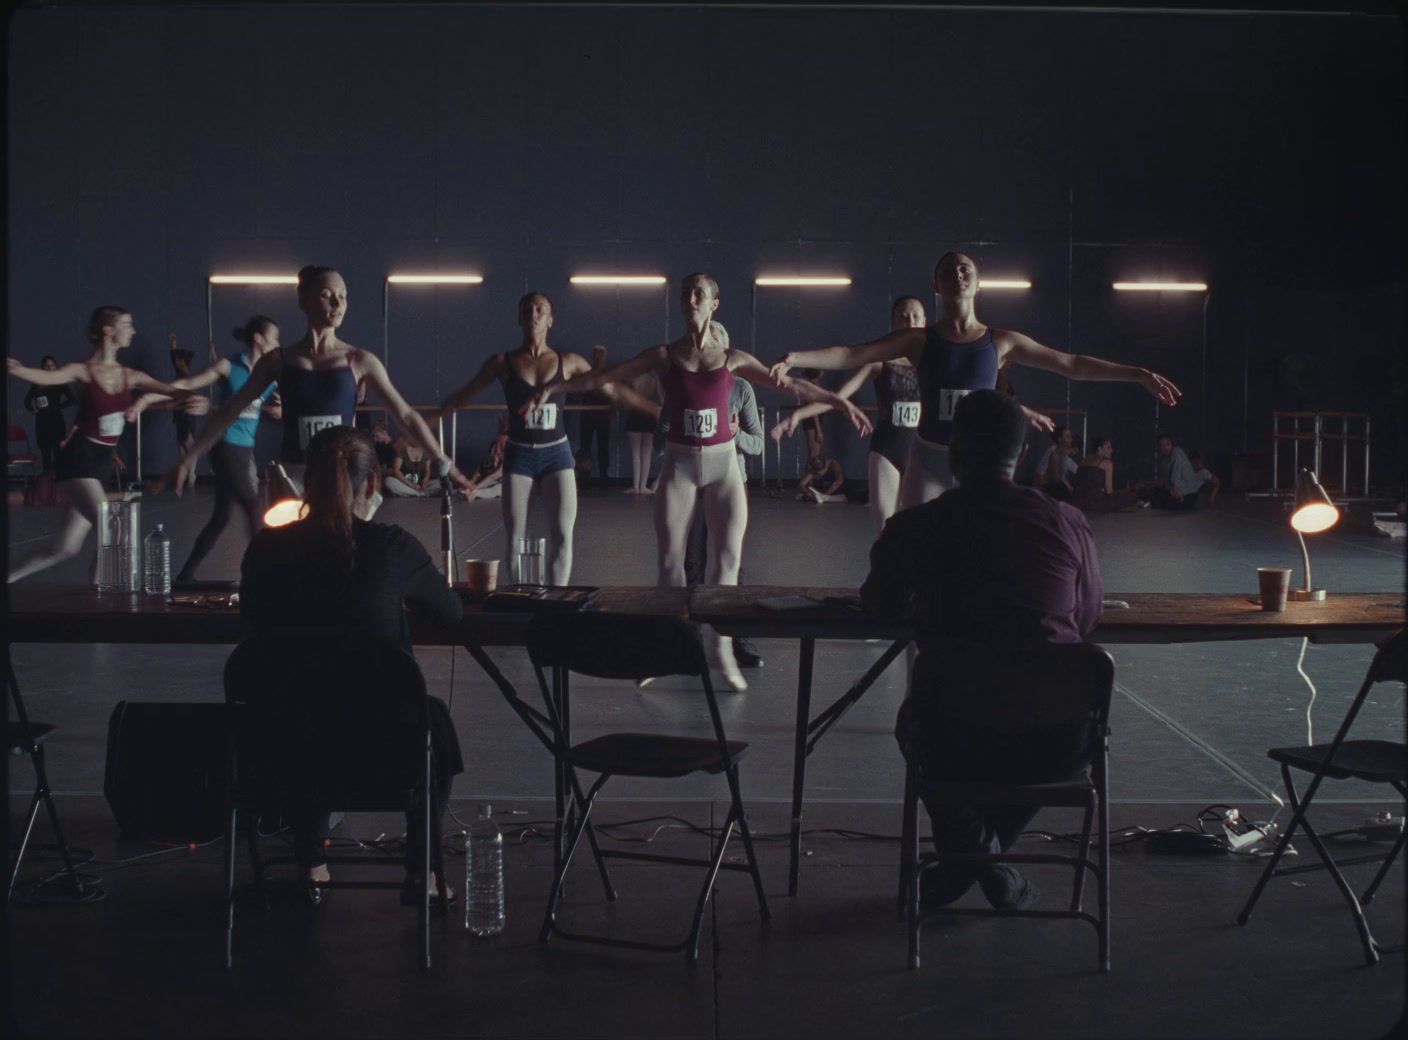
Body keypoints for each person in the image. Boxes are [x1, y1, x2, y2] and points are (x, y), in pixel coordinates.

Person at [522, 272, 872, 690]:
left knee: (725, 563)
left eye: (699, 293)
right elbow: (605, 377)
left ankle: (719, 651)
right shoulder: (664, 355)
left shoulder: (733, 358)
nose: (691, 297)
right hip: (680, 467)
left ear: (714, 304)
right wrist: (553, 388)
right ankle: (663, 649)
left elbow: (792, 384)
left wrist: (839, 402)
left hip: (725, 467)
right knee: (669, 563)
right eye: (686, 292)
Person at [861, 389, 1104, 911]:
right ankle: (984, 864)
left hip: (952, 734)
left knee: (917, 727)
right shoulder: (1067, 523)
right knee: (1060, 735)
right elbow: (1085, 621)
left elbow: (879, 606)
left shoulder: (916, 527)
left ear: (954, 454)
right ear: (1020, 456)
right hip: (1055, 738)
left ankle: (969, 862)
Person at [239, 425, 464, 903]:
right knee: (434, 723)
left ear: (308, 484)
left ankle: (310, 864)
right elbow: (452, 613)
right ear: (371, 485)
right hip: (381, 743)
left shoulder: (265, 550)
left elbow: (254, 624)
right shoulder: (393, 547)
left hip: (281, 743)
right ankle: (422, 874)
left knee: (304, 699)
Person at [772, 251, 1181, 511]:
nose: (958, 273)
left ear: (978, 283)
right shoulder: (919, 340)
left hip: (981, 466)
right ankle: (920, 647)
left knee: (979, 558)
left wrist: (1137, 374)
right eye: (948, 270)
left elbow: (1071, 364)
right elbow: (851, 353)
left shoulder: (1000, 342)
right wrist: (796, 357)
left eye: (965, 268)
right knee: (917, 554)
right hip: (928, 459)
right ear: (937, 285)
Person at [160, 265, 470, 497]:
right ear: (304, 300)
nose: (338, 303)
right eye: (327, 295)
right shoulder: (278, 361)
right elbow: (231, 410)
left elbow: (404, 415)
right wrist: (190, 457)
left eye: (343, 296)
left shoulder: (360, 360)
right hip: (295, 475)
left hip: (343, 476)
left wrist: (444, 461)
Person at [434, 292, 656, 585]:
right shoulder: (503, 362)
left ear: (550, 320)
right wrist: (424, 420)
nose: (533, 313)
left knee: (563, 534)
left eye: (540, 309)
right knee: (515, 537)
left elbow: (613, 391)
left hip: (557, 455)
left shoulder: (570, 361)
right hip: (519, 455)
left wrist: (656, 410)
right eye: (527, 309)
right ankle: (520, 600)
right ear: (519, 318)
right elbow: (463, 395)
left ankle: (557, 602)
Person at [7, 308, 207, 584]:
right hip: (78, 461)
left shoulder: (130, 376)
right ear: (108, 331)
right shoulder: (83, 371)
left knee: (65, 548)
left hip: (100, 463)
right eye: (127, 324)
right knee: (115, 527)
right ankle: (99, 596)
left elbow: (171, 390)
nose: (133, 331)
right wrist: (17, 369)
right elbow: (48, 377)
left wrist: (196, 396)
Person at [130, 318, 284, 583]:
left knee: (220, 519)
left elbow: (287, 403)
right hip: (225, 447)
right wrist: (148, 398)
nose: (278, 344)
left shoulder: (270, 373)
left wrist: (281, 409)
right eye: (274, 338)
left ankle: (185, 576)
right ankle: (264, 579)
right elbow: (188, 384)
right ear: (258, 338)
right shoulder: (229, 365)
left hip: (245, 450)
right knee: (254, 509)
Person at [772, 295, 926, 532]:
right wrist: (798, 415)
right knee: (886, 527)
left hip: (921, 451)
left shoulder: (933, 362)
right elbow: (838, 397)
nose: (909, 322)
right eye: (903, 317)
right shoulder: (879, 362)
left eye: (915, 316)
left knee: (920, 525)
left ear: (924, 321)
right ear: (894, 322)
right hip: (887, 451)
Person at [676, 369, 765, 669]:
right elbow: (663, 430)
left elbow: (758, 444)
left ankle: (735, 635)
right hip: (692, 482)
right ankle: (690, 637)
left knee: (732, 562)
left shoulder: (741, 389)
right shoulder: (684, 385)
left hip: (730, 482)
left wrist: (732, 432)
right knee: (693, 560)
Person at [572, 345, 614, 487]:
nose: (599, 358)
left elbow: (612, 394)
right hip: (588, 416)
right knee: (585, 448)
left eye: (601, 355)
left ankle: (603, 477)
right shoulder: (587, 373)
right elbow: (578, 391)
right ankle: (584, 478)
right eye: (597, 355)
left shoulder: (607, 374)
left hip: (603, 417)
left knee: (603, 448)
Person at [23, 355, 73, 473]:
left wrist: (58, 407)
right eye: (47, 365)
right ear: (43, 367)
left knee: (58, 452)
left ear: (55, 367)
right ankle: (47, 485)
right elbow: (27, 401)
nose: (49, 368)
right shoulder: (37, 383)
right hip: (42, 421)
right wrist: (33, 409)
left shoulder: (60, 383)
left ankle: (59, 484)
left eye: (52, 365)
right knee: (45, 453)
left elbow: (72, 399)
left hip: (56, 420)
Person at [1070, 437, 1143, 513]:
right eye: (1108, 448)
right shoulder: (1106, 463)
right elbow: (1109, 491)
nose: (1111, 451)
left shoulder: (1084, 460)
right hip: (1094, 502)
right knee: (1130, 496)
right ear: (1099, 449)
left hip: (1077, 501)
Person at [623, 369, 662, 494]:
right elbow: (661, 399)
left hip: (635, 415)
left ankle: (635, 486)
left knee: (635, 454)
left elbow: (627, 400)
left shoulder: (633, 379)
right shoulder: (654, 380)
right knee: (646, 454)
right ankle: (643, 486)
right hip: (649, 415)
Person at [1147, 433, 1203, 511]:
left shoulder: (1177, 452)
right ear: (1159, 448)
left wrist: (1175, 489)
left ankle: (1175, 501)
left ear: (1172, 444)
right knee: (1156, 497)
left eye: (1167, 444)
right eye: (1161, 446)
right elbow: (1166, 482)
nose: (1165, 448)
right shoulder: (1164, 462)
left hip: (1189, 493)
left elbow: (1175, 473)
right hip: (1174, 493)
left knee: (1168, 504)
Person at [1033, 425, 1079, 489]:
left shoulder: (1067, 456)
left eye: (1071, 436)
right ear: (1060, 439)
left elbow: (1076, 470)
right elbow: (1055, 480)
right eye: (1067, 436)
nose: (1071, 439)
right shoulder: (1053, 453)